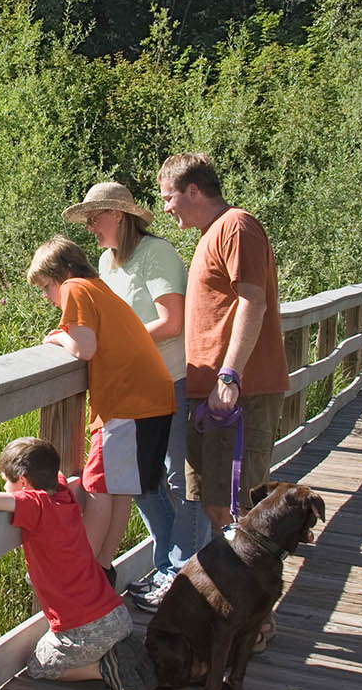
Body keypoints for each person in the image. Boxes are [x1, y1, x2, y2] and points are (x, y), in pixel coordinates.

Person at [62, 180, 209, 610]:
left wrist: (116, 345)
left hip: (173, 380)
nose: (90, 227)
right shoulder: (106, 265)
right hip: (131, 393)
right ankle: (169, 566)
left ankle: (182, 574)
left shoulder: (155, 253)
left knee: (181, 481)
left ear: (118, 215)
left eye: (95, 218)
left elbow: (172, 321)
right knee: (142, 485)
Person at [25, 236, 175, 571]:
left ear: (63, 273)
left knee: (97, 485)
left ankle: (83, 570)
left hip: (128, 403)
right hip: (150, 400)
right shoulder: (100, 289)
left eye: (47, 287)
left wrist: (58, 336)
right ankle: (103, 566)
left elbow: (84, 348)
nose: (49, 299)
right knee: (119, 487)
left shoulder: (77, 288)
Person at [156, 153, 288, 532]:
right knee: (215, 506)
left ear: (193, 190)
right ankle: (226, 589)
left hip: (237, 393)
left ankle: (248, 589)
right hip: (211, 395)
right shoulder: (209, 235)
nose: (165, 208)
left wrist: (229, 375)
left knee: (240, 505)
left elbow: (253, 300)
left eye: (168, 197)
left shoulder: (236, 226)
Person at [0, 436, 152, 690]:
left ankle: (103, 669)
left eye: (6, 481)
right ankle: (123, 652)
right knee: (87, 640)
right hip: (116, 614)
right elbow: (54, 472)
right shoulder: (62, 493)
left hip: (85, 628)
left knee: (39, 665)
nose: (4, 487)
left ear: (22, 482)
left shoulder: (37, 505)